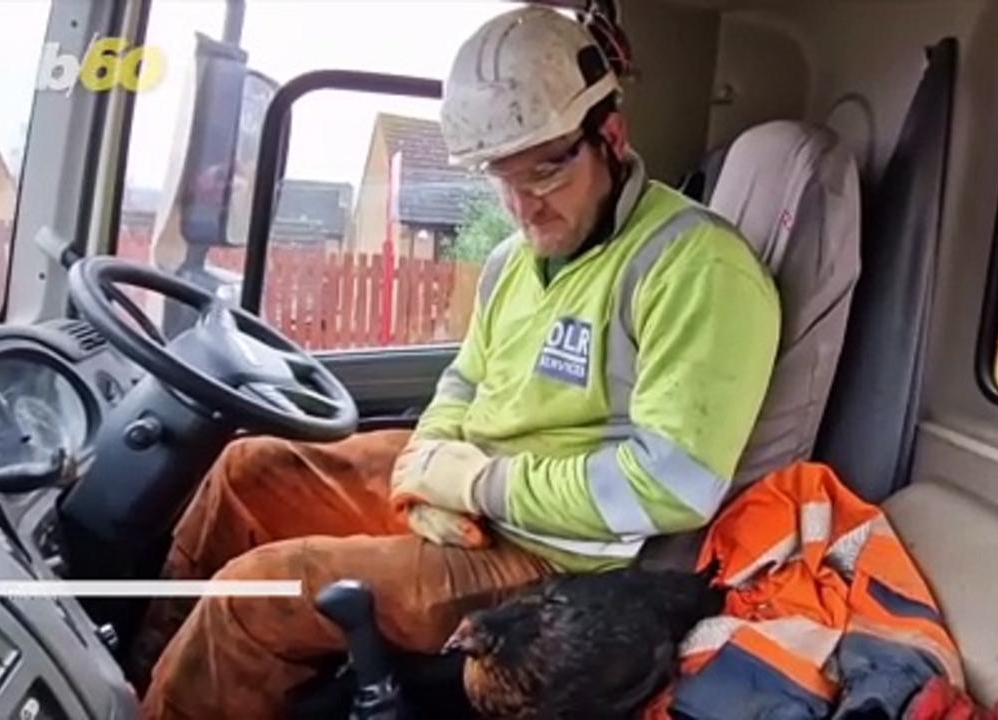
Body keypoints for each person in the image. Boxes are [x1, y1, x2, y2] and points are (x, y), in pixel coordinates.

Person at [137, 6, 782, 718]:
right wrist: (429, 458)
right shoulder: (514, 261)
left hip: (556, 556)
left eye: (543, 172)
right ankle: (142, 674)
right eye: (499, 179)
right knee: (246, 471)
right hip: (474, 494)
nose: (522, 208)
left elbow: (674, 483)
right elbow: (466, 379)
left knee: (260, 593)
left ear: (612, 136)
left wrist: (481, 484)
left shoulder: (698, 267)